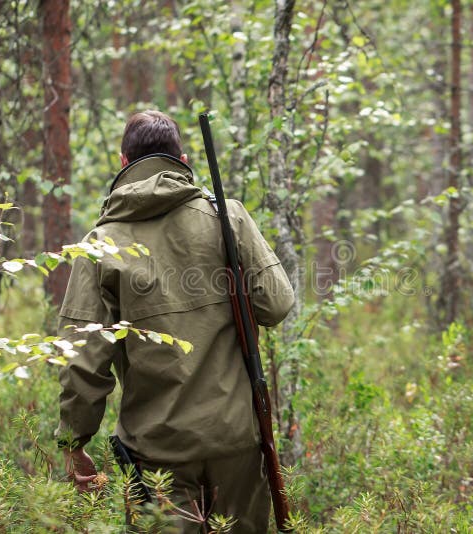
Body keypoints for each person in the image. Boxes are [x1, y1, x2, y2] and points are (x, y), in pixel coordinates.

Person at [55, 110, 295, 533]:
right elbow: (276, 304)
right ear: (182, 159)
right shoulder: (228, 218)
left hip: (156, 450)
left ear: (123, 160)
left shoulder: (100, 246)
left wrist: (75, 443)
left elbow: (83, 360)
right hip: (237, 439)